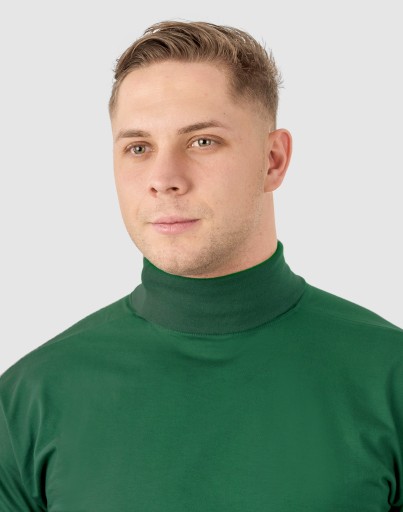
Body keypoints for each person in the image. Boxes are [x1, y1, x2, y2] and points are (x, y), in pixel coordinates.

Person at [0, 20, 402, 512]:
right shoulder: (29, 400)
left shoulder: (390, 378)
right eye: (138, 148)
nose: (164, 178)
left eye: (202, 141)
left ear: (273, 159)